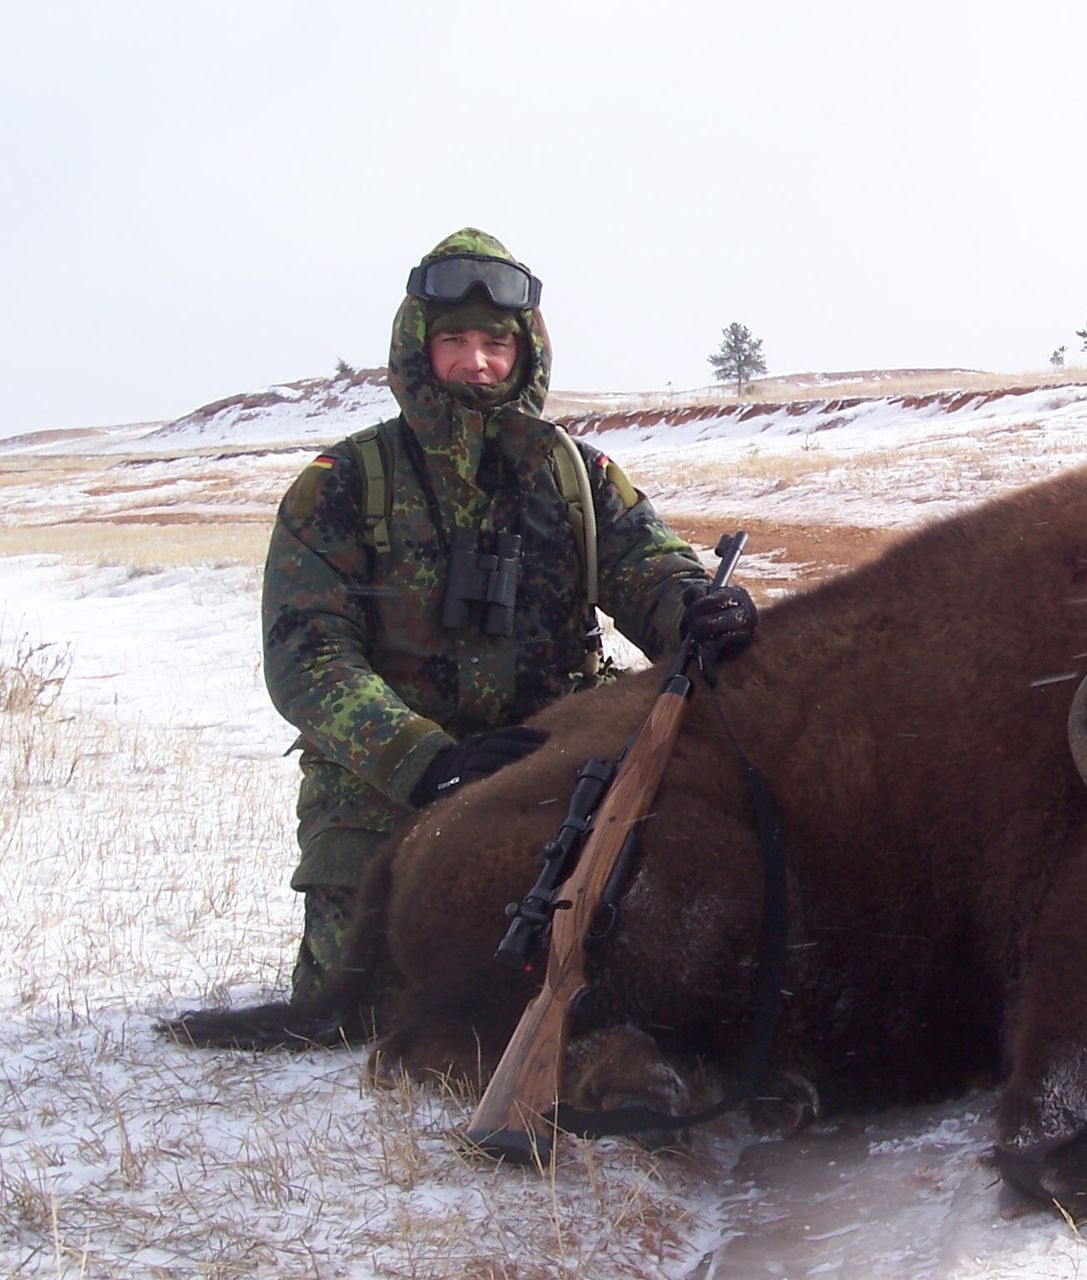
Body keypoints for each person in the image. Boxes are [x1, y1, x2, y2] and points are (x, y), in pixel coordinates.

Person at [262, 228, 755, 1001]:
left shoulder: (575, 471)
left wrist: (698, 608)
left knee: (616, 968)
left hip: (547, 765)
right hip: (387, 784)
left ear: (524, 352)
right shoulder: (341, 484)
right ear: (417, 347)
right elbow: (307, 658)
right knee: (366, 1002)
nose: (477, 362)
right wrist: (425, 761)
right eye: (453, 339)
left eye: (495, 342)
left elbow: (646, 567)